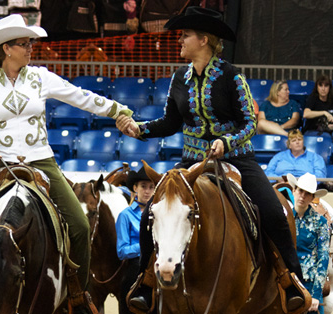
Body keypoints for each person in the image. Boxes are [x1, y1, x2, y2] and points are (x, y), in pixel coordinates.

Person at [116, 6, 309, 313]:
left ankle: (291, 280)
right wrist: (139, 129)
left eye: (186, 35)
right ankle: (146, 281)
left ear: (204, 39)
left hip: (236, 159)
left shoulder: (233, 77)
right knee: (150, 211)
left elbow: (250, 123)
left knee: (273, 210)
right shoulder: (179, 78)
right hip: (191, 161)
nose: (180, 40)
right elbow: (170, 122)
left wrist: (226, 141)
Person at [0, 14, 133, 314]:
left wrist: (119, 109)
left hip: (41, 162)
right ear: (5, 49)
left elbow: (81, 97)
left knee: (80, 226)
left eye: (30, 43)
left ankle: (77, 297)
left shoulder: (41, 77)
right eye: (24, 44)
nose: (31, 48)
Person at [287, 172, 330, 314]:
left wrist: (316, 294)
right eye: (300, 191)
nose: (303, 196)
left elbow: (323, 257)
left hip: (310, 284)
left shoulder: (321, 223)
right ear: (294, 191)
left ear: (312, 197)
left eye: (308, 193)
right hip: (287, 282)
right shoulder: (284, 220)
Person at [115, 167, 155, 314]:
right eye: (143, 186)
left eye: (151, 187)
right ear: (135, 188)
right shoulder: (125, 216)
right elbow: (122, 251)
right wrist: (146, 246)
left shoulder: (158, 213)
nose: (147, 191)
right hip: (136, 266)